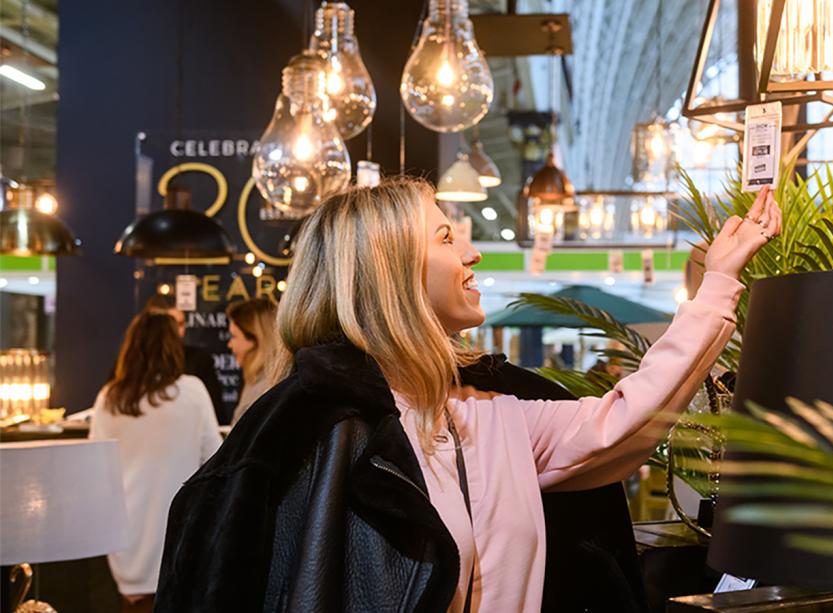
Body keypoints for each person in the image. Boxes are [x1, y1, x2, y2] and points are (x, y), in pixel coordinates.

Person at [155, 177, 781, 612]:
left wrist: (718, 285)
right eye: (447, 238)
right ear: (388, 270)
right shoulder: (314, 430)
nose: (474, 251)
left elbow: (625, 418)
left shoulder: (489, 415)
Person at [90, 311, 222, 613]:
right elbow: (215, 460)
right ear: (171, 346)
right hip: (179, 529)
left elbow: (97, 469)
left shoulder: (109, 398)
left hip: (125, 532)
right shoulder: (191, 391)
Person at [139, 295, 227, 424]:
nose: (179, 332)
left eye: (181, 324)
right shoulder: (134, 364)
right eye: (171, 325)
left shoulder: (199, 359)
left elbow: (216, 414)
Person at [226, 297, 278, 424]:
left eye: (234, 336)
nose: (229, 344)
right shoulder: (254, 380)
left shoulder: (267, 389)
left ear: (255, 339)